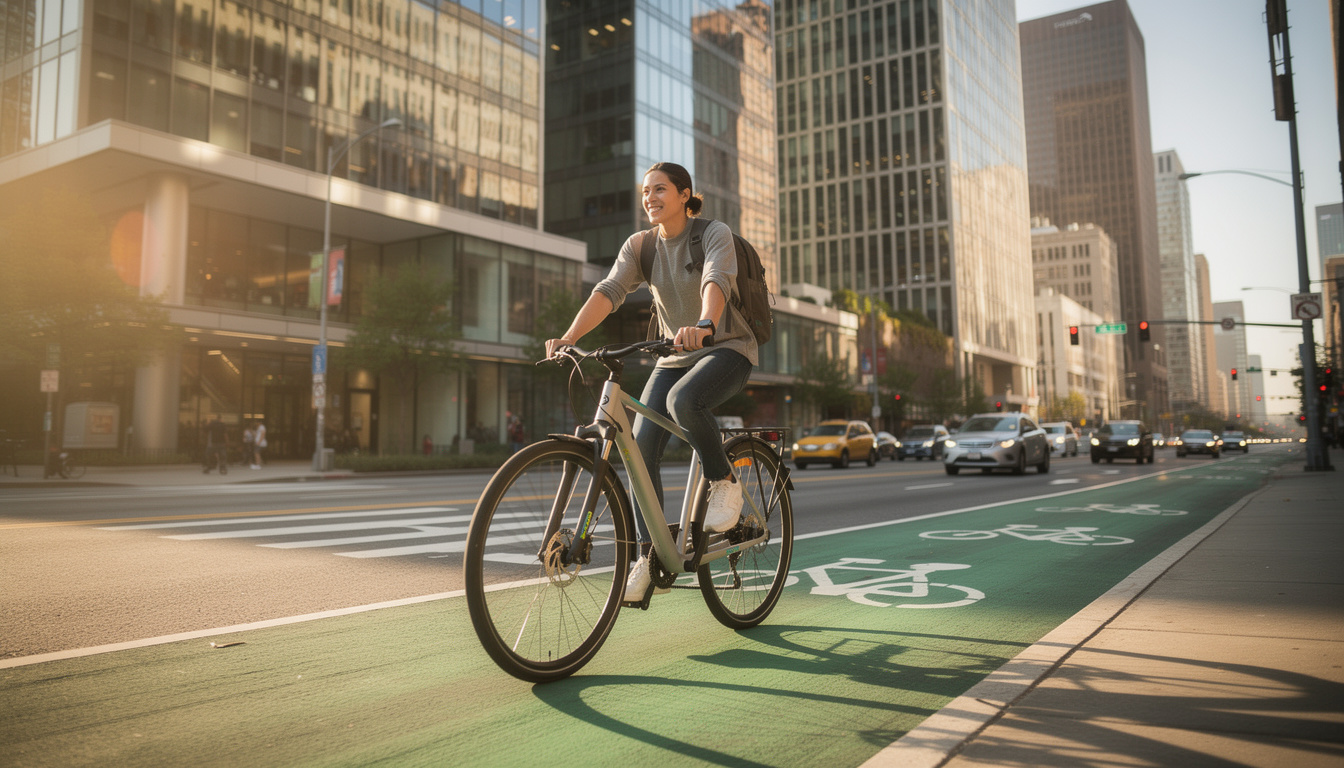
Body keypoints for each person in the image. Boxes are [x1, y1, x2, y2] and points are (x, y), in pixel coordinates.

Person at [545, 162, 758, 602]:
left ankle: (724, 483)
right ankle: (650, 555)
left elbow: (716, 280)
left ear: (685, 194)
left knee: (684, 400)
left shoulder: (713, 234)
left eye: (660, 189)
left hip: (726, 348)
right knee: (639, 453)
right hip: (672, 355)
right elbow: (608, 291)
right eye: (645, 192)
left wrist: (704, 323)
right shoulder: (640, 246)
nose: (650, 198)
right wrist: (569, 337)